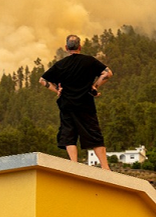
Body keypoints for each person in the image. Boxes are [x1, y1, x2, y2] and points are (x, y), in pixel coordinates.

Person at [39, 34, 113, 170]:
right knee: (93, 133)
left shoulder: (60, 65)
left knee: (69, 133)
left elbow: (43, 80)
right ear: (80, 47)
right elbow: (107, 73)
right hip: (86, 103)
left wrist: (57, 91)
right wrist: (95, 86)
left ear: (66, 48)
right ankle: (105, 166)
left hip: (67, 104)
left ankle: (74, 164)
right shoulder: (89, 61)